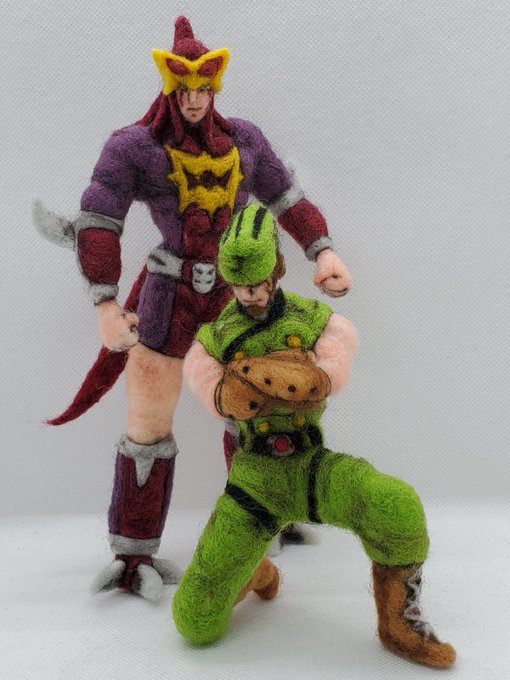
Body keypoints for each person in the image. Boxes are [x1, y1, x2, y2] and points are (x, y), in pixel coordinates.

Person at [33, 16, 352, 600]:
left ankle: (266, 514)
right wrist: (105, 303)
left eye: (205, 88)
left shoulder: (244, 141)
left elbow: (286, 197)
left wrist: (322, 250)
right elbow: (101, 220)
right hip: (166, 296)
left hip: (236, 298)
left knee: (255, 405)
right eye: (185, 88)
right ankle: (134, 553)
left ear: (215, 86)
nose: (196, 99)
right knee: (148, 423)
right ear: (170, 87)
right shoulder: (135, 146)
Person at [173, 204, 456, 669]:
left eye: (258, 281)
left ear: (276, 271)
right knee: (194, 623)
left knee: (396, 504)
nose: (249, 293)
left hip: (311, 468)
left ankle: (399, 625)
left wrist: (308, 377)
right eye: (239, 284)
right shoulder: (213, 338)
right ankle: (254, 569)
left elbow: (332, 371)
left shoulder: (314, 320)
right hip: (254, 481)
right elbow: (214, 394)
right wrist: (238, 388)